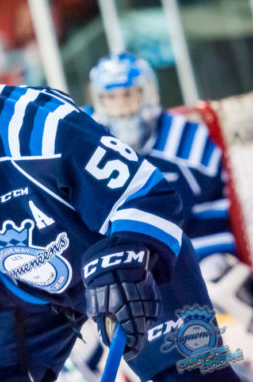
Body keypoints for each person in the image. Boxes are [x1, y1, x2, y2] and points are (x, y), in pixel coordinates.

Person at [0, 24, 242, 381]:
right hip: (28, 288)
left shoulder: (42, 125)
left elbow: (150, 194)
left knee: (193, 377)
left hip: (127, 266)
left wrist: (130, 252)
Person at [88, 52, 253, 332]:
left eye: (129, 94)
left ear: (148, 94)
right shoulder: (91, 143)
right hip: (131, 271)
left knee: (224, 290)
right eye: (110, 98)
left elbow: (208, 214)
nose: (121, 107)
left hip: (198, 257)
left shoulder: (187, 139)